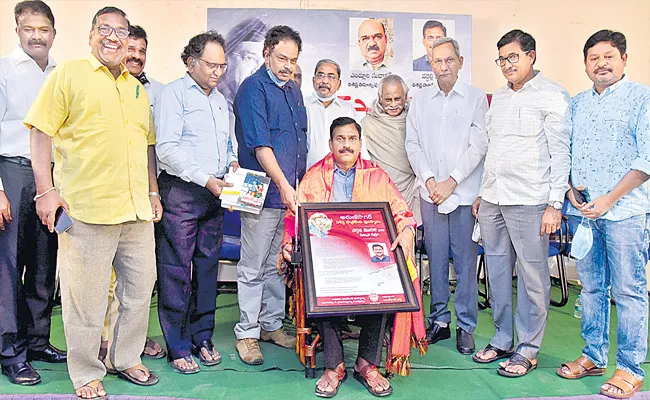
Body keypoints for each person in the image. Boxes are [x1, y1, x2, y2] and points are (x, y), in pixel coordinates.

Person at [24, 6, 160, 398]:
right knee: (85, 299)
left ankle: (125, 357)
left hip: (135, 211)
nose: (113, 37)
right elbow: (40, 133)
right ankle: (86, 373)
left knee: (138, 290)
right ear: (90, 34)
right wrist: (45, 190)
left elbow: (146, 146)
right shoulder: (69, 74)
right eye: (105, 29)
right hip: (86, 211)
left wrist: (152, 191)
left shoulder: (136, 88)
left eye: (121, 31)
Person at [281, 117, 422, 397]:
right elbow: (293, 220)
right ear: (331, 143)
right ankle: (334, 365)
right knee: (319, 282)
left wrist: (406, 231)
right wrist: (288, 244)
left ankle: (367, 364)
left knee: (386, 280)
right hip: (329, 259)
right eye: (340, 139)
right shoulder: (314, 176)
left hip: (367, 257)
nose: (346, 145)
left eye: (352, 139)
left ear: (360, 143)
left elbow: (403, 213)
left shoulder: (376, 175)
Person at [472, 29, 571, 378]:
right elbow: (492, 149)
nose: (507, 65)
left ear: (531, 55)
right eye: (501, 59)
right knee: (497, 273)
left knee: (532, 278)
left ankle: (528, 350)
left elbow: (561, 154)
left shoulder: (552, 96)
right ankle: (502, 339)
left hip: (531, 200)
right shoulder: (498, 98)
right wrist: (483, 193)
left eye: (513, 57)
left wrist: (554, 204)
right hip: (494, 200)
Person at [556, 30, 650, 399]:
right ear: (585, 64)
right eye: (594, 58)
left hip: (624, 212)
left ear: (624, 59)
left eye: (609, 56)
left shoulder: (642, 98)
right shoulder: (578, 103)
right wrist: (568, 189)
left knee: (629, 292)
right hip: (585, 213)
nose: (601, 64)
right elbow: (566, 151)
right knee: (592, 288)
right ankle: (593, 355)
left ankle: (630, 368)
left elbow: (647, 159)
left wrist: (610, 198)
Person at [155, 30, 237, 375]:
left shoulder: (220, 100)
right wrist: (207, 180)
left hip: (215, 193)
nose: (218, 72)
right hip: (183, 191)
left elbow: (228, 145)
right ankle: (177, 345)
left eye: (223, 66)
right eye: (211, 64)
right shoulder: (173, 94)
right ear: (191, 61)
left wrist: (232, 166)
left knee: (207, 270)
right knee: (176, 271)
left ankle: (202, 337)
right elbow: (167, 149)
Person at [406, 37, 488, 355]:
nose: (444, 66)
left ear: (460, 61)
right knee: (436, 259)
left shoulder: (475, 98)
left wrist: (452, 182)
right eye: (437, 61)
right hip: (430, 195)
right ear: (430, 64)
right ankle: (439, 320)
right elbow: (412, 144)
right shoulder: (421, 100)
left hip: (463, 194)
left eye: (449, 60)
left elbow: (479, 146)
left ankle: (466, 326)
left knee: (465, 263)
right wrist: (429, 180)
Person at [0, 0, 66, 386]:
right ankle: (10, 351)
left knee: (44, 264)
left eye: (44, 29)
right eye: (29, 29)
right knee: (9, 269)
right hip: (11, 172)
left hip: (53, 179)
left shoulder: (62, 73)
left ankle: (38, 340)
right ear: (18, 31)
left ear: (53, 33)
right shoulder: (4, 69)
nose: (37, 36)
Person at [233, 25, 307, 366]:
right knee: (251, 265)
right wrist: (284, 185)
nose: (287, 66)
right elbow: (261, 145)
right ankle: (246, 333)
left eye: (292, 60)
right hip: (259, 191)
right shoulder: (252, 89)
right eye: (281, 58)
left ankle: (271, 324)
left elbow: (298, 143)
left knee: (278, 266)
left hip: (288, 195)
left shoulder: (293, 91)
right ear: (267, 54)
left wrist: (297, 187)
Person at [98, 22, 165, 364]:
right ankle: (105, 342)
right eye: (131, 49)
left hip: (139, 196)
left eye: (142, 52)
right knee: (106, 280)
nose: (136, 57)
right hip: (101, 199)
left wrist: (153, 192)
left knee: (137, 280)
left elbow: (150, 146)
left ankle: (126, 343)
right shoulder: (94, 84)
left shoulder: (146, 92)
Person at [362, 74, 421, 223]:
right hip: (379, 192)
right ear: (380, 98)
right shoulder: (368, 123)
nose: (393, 104)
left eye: (398, 99)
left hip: (408, 191)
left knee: (408, 237)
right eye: (388, 100)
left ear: (405, 97)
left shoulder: (414, 121)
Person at [306, 59, 370, 169]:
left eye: (331, 76)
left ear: (339, 84)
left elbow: (358, 142)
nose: (325, 81)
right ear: (313, 80)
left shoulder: (347, 109)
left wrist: (366, 166)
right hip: (310, 174)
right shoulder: (303, 105)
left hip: (340, 176)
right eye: (320, 75)